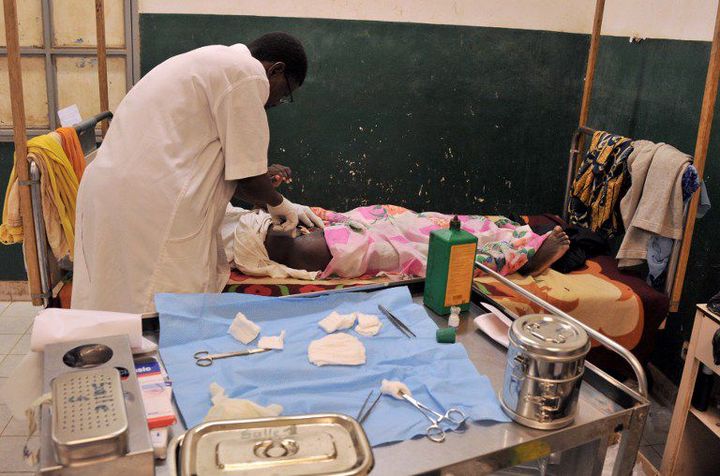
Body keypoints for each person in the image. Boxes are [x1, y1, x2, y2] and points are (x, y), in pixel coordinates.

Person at [72, 32, 322, 313]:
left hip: (112, 191)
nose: (276, 102)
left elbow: (230, 171)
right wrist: (280, 204)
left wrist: (268, 193)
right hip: (148, 205)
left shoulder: (210, 61)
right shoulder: (248, 75)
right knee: (154, 308)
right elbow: (248, 179)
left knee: (112, 303)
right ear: (276, 69)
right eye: (285, 93)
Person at [224, 205, 571, 280]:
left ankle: (511, 233)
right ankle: (521, 256)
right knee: (426, 251)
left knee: (416, 222)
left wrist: (323, 217)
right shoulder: (300, 254)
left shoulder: (287, 235)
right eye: (272, 229)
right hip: (361, 246)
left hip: (356, 229)